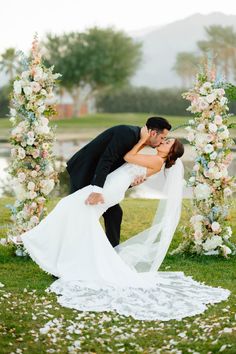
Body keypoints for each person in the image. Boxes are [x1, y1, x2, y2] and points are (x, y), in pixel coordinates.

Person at [17, 129, 230, 321]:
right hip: (113, 184)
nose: (163, 142)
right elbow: (130, 165)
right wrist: (142, 154)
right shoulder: (154, 158)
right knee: (73, 214)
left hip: (110, 190)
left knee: (69, 207)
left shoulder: (157, 162)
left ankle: (39, 242)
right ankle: (61, 254)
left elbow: (129, 157)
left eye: (167, 143)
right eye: (164, 139)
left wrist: (143, 140)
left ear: (170, 153)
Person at [66, 116, 172, 247]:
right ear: (153, 133)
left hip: (101, 176)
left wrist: (134, 180)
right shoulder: (126, 133)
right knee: (76, 211)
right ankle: (71, 247)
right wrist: (97, 190)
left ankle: (112, 251)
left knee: (114, 213)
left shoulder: (139, 139)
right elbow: (106, 160)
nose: (162, 142)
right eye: (162, 138)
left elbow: (124, 167)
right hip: (84, 171)